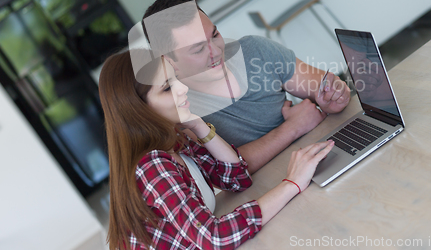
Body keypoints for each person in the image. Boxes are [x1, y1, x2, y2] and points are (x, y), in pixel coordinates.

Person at [99, 49, 335, 250]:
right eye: (167, 88)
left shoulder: (175, 142)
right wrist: (292, 183)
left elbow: (238, 179)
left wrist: (198, 124)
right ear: (138, 110)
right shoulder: (151, 166)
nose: (182, 88)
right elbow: (215, 239)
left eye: (176, 79)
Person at [140, 0, 351, 173]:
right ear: (168, 59)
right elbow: (229, 169)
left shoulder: (254, 50)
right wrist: (293, 127)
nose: (215, 51)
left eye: (215, 35)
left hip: (322, 158)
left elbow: (323, 89)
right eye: (197, 49)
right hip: (271, 188)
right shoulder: (175, 105)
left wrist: (334, 98)